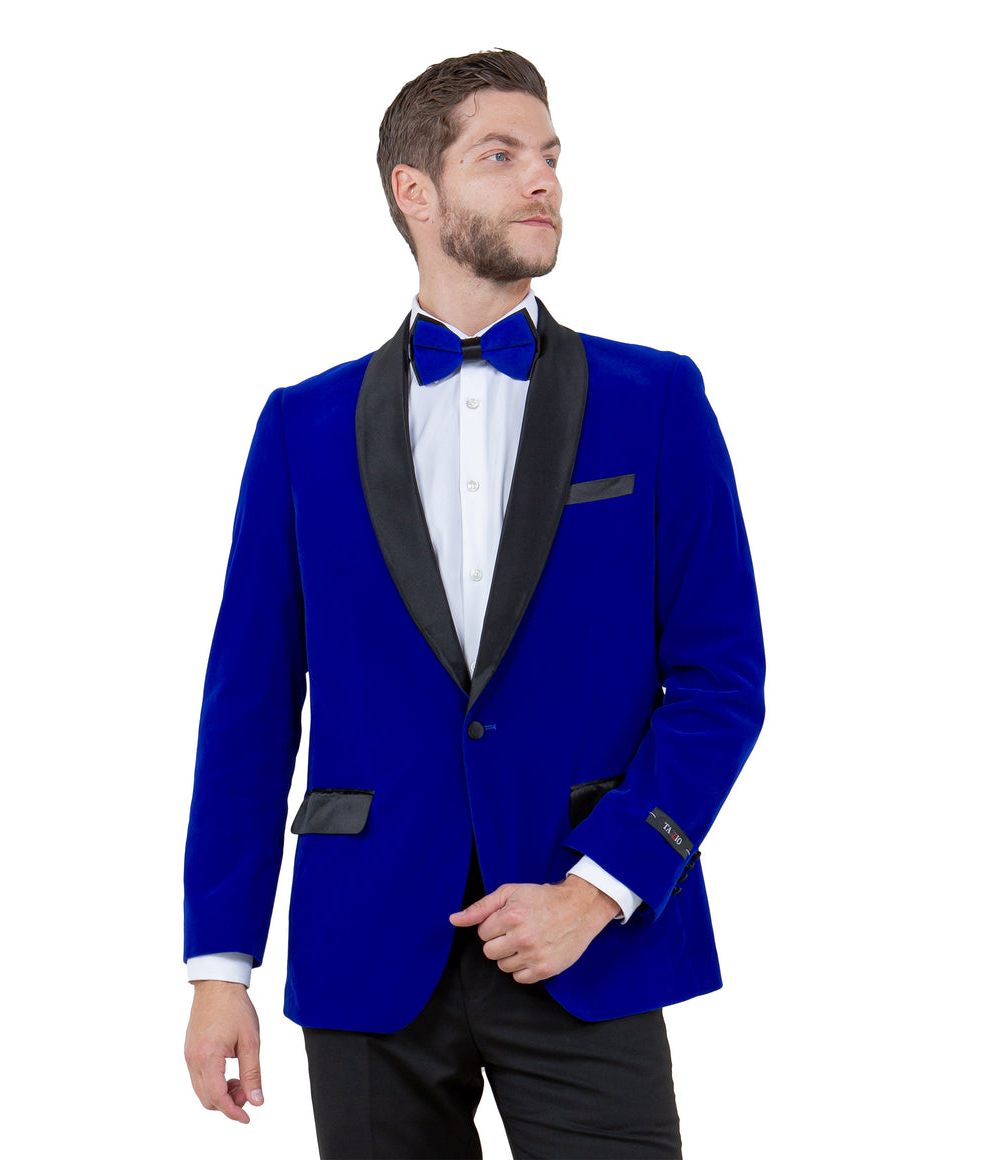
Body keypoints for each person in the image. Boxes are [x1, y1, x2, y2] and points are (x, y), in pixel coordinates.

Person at [182, 48, 765, 1160]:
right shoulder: (303, 427)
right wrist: (220, 966)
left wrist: (599, 887)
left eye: (550, 155)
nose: (542, 178)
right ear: (415, 189)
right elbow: (248, 709)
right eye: (500, 155)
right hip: (365, 944)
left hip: (582, 937)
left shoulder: (655, 400)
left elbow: (720, 680)